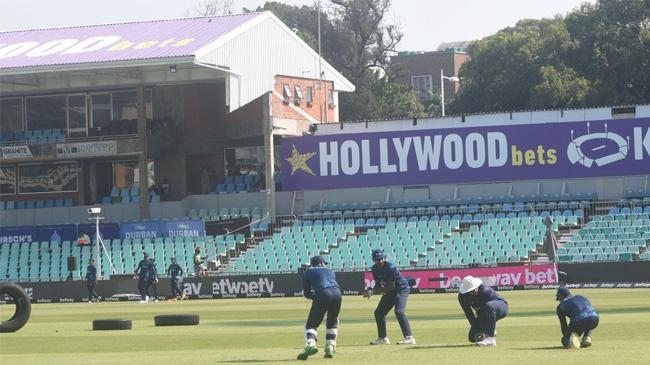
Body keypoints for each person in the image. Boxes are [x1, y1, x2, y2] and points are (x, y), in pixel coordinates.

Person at [362, 249, 416, 345]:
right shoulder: (374, 269)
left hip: (401, 289)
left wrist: (374, 291)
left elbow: (391, 286)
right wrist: (372, 290)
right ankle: (383, 338)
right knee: (379, 313)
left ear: (384, 258)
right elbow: (378, 285)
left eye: (381, 259)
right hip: (391, 292)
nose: (380, 261)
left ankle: (409, 337)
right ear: (374, 260)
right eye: (377, 259)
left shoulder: (390, 267)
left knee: (399, 311)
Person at [297, 255, 342, 360]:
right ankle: (330, 346)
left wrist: (315, 297)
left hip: (322, 293)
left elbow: (307, 293)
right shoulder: (330, 271)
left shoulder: (307, 272)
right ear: (322, 263)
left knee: (311, 324)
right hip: (337, 293)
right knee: (332, 322)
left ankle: (311, 344)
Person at [458, 275, 509, 346]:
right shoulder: (462, 297)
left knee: (489, 306)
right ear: (466, 291)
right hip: (485, 313)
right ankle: (490, 330)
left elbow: (490, 310)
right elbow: (469, 314)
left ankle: (490, 339)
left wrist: (484, 330)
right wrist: (478, 330)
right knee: (472, 337)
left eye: (475, 287)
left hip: (501, 307)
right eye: (472, 290)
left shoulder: (485, 290)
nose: (475, 290)